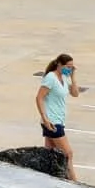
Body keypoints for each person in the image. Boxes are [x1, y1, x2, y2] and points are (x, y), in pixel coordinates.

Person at [36, 53, 81, 181]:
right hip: (52, 121)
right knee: (68, 154)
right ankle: (75, 183)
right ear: (59, 65)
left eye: (72, 67)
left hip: (59, 120)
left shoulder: (66, 77)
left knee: (50, 154)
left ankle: (49, 180)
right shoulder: (51, 78)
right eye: (68, 66)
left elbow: (75, 94)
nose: (70, 68)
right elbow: (39, 97)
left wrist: (72, 76)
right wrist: (45, 118)